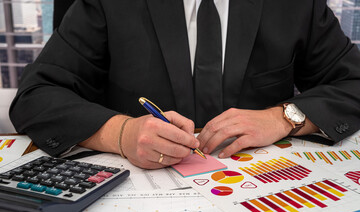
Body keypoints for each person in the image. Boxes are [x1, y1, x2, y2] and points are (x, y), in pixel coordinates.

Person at [9, 0, 360, 169]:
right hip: (139, 194)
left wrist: (285, 117)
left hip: (258, 185)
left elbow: (353, 81)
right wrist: (121, 133)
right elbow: (36, 95)